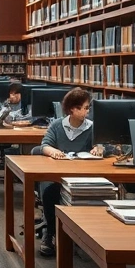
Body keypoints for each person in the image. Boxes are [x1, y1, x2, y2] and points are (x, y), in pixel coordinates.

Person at [37, 88, 105, 257]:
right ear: (73, 109)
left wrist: (99, 148)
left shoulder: (92, 127)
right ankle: (50, 233)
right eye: (85, 108)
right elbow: (44, 145)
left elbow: (105, 145)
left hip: (84, 176)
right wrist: (53, 151)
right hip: (58, 176)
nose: (88, 111)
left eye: (88, 108)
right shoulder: (57, 125)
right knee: (49, 192)